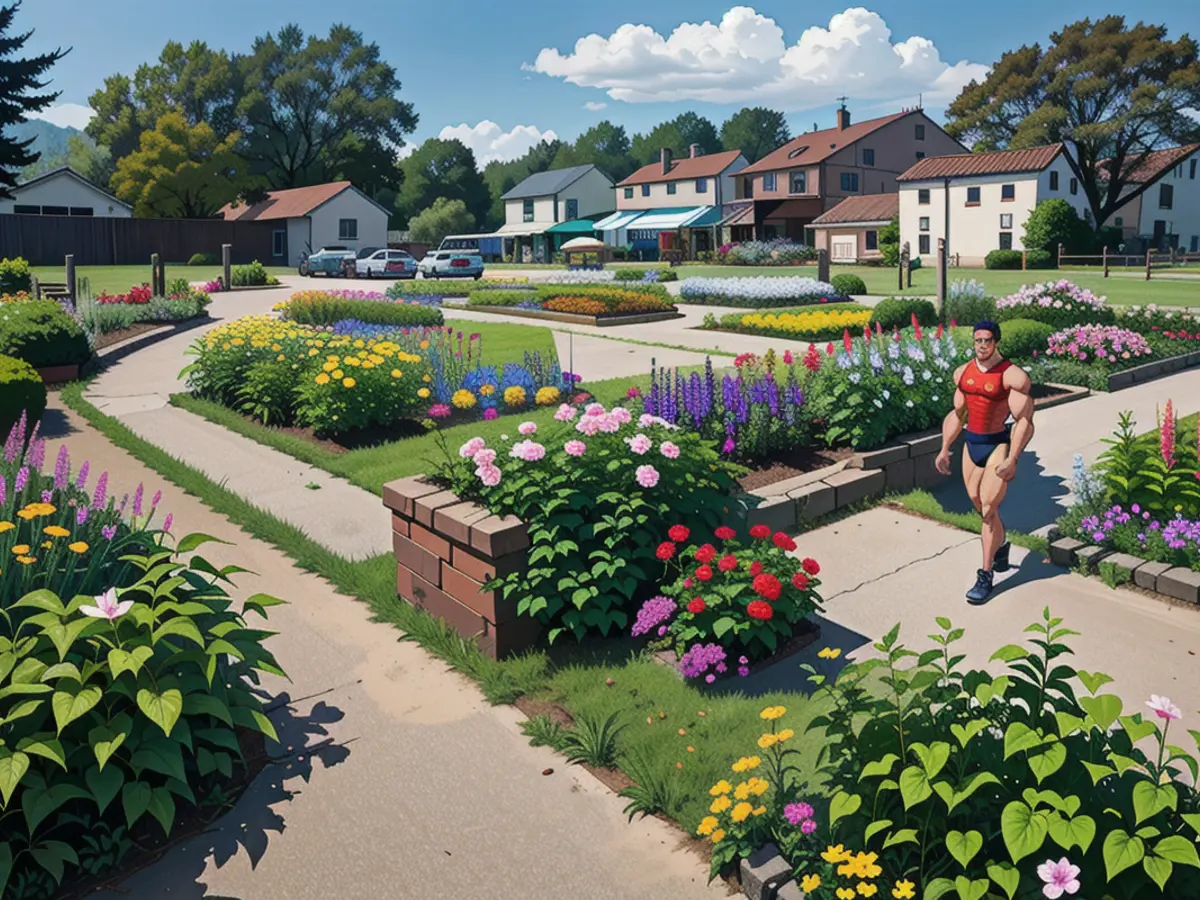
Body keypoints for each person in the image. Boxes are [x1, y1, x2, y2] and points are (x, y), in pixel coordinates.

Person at [934, 320, 1035, 604]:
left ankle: (985, 575)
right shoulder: (963, 373)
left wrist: (1013, 459)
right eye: (977, 340)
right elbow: (957, 414)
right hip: (971, 444)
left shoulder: (1012, 376)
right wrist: (944, 449)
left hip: (996, 445)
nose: (982, 345)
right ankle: (1000, 547)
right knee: (978, 504)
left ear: (996, 342)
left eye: (987, 340)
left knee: (989, 511)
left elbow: (1024, 421)